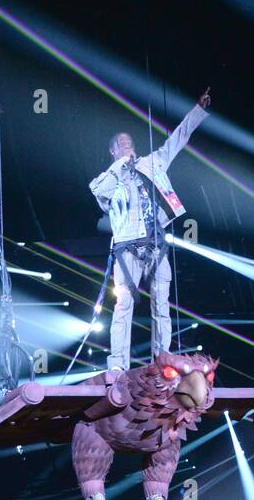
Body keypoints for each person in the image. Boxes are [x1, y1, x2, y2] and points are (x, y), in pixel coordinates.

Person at [89, 88, 211, 370]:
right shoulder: (107, 179)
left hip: (156, 244)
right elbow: (100, 194)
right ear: (113, 151)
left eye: (131, 142)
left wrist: (197, 111)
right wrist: (122, 165)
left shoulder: (153, 163)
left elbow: (177, 140)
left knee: (162, 307)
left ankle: (162, 360)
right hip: (126, 249)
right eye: (122, 144)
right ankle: (118, 365)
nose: (129, 145)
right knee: (123, 307)